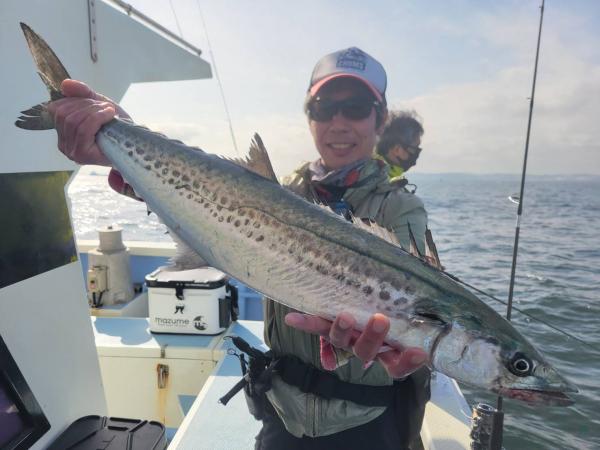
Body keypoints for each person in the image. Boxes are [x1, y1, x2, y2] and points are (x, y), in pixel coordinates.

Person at [47, 46, 430, 450]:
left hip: (365, 421)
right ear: (310, 116)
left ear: (380, 118)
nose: (338, 122)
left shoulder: (399, 208)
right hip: (284, 411)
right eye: (324, 107)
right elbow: (208, 209)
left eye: (355, 107)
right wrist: (124, 144)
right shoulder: (282, 189)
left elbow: (407, 317)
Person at [375, 110, 424, 183]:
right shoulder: (382, 182)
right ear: (397, 150)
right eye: (414, 148)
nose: (416, 153)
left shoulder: (371, 170)